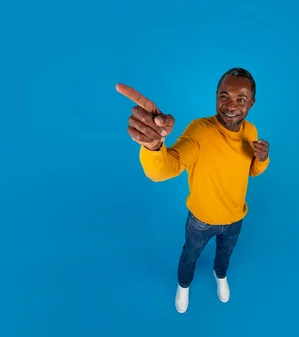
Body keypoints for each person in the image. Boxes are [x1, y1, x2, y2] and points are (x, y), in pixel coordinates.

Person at [116, 68, 270, 313]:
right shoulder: (199, 132)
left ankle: (220, 276)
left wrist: (262, 158)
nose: (231, 105)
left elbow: (251, 170)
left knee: (224, 257)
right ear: (216, 96)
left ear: (252, 102)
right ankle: (183, 285)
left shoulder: (251, 131)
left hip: (235, 218)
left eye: (241, 99)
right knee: (189, 257)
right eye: (224, 96)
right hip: (201, 221)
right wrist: (154, 146)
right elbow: (165, 169)